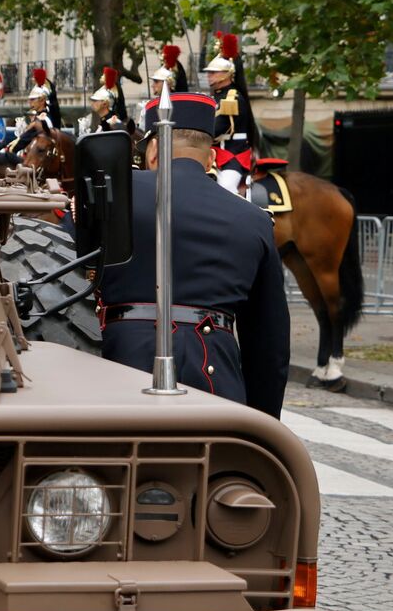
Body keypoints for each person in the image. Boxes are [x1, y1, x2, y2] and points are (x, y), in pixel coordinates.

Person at [92, 89, 288, 417]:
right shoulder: (254, 219)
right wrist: (262, 424)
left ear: (153, 148)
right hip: (216, 386)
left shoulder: (108, 195)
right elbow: (269, 348)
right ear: (211, 156)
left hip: (115, 370)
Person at [206, 32, 259, 196]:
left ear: (226, 74)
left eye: (213, 72)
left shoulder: (233, 97)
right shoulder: (215, 96)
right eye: (209, 72)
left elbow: (221, 127)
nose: (209, 75)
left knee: (226, 188)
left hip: (232, 155)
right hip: (214, 154)